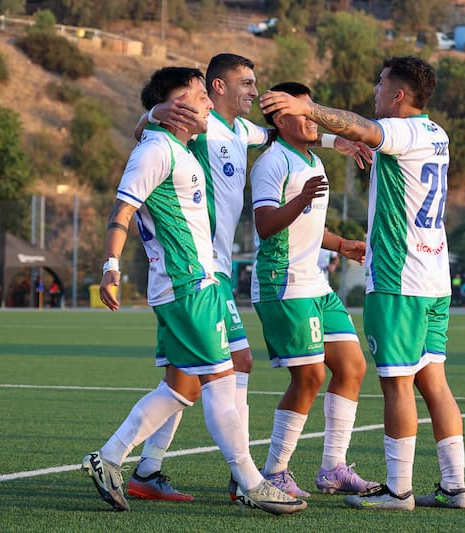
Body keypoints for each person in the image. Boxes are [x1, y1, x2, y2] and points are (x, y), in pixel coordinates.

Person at [131, 54, 370, 500]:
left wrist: (336, 138)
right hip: (194, 268)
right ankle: (248, 479)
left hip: (214, 268)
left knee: (186, 376)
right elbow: (148, 137)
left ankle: (149, 471)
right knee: (226, 367)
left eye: (257, 83)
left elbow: (285, 130)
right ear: (217, 87)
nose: (254, 92)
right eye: (246, 82)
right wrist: (150, 115)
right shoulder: (198, 127)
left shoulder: (243, 132)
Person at [81, 66, 306, 516]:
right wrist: (110, 268)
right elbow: (122, 209)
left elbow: (267, 134)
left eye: (206, 93)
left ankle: (110, 459)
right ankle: (250, 482)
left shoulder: (184, 147)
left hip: (195, 282)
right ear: (175, 107)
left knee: (182, 386)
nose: (206, 101)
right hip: (188, 285)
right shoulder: (157, 150)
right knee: (222, 380)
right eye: (198, 95)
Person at [260, 56, 465, 511]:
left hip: (399, 280)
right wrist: (332, 136)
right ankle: (455, 487)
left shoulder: (403, 131)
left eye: (380, 84)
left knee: (396, 384)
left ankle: (399, 491)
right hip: (435, 279)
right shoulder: (437, 134)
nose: (375, 91)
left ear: (398, 95)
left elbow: (362, 128)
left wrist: (307, 106)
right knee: (434, 381)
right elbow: (360, 137)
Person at [251, 81, 378, 498]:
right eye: (302, 113)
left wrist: (342, 244)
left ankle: (333, 469)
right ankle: (274, 471)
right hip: (282, 282)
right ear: (279, 118)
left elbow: (308, 226)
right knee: (309, 376)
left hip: (315, 283)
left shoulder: (313, 161)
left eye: (313, 112)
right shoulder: (272, 163)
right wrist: (302, 197)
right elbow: (267, 226)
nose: (312, 119)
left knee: (353, 367)